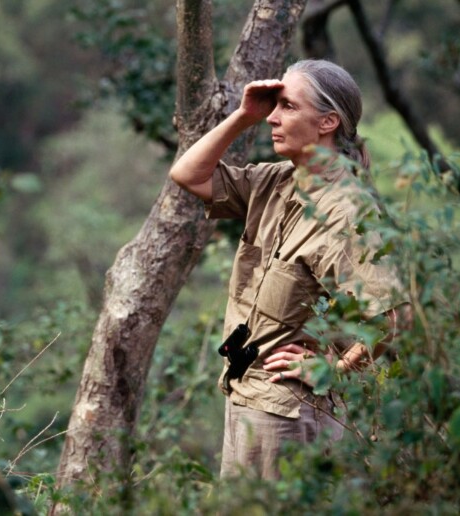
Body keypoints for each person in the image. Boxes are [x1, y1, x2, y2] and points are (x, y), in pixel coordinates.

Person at [169, 59, 409, 479]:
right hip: (247, 394)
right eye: (274, 107)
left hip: (288, 416)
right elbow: (187, 173)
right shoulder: (277, 181)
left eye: (288, 107)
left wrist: (333, 369)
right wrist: (243, 115)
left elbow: (393, 315)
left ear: (328, 122)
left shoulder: (347, 211)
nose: (273, 119)